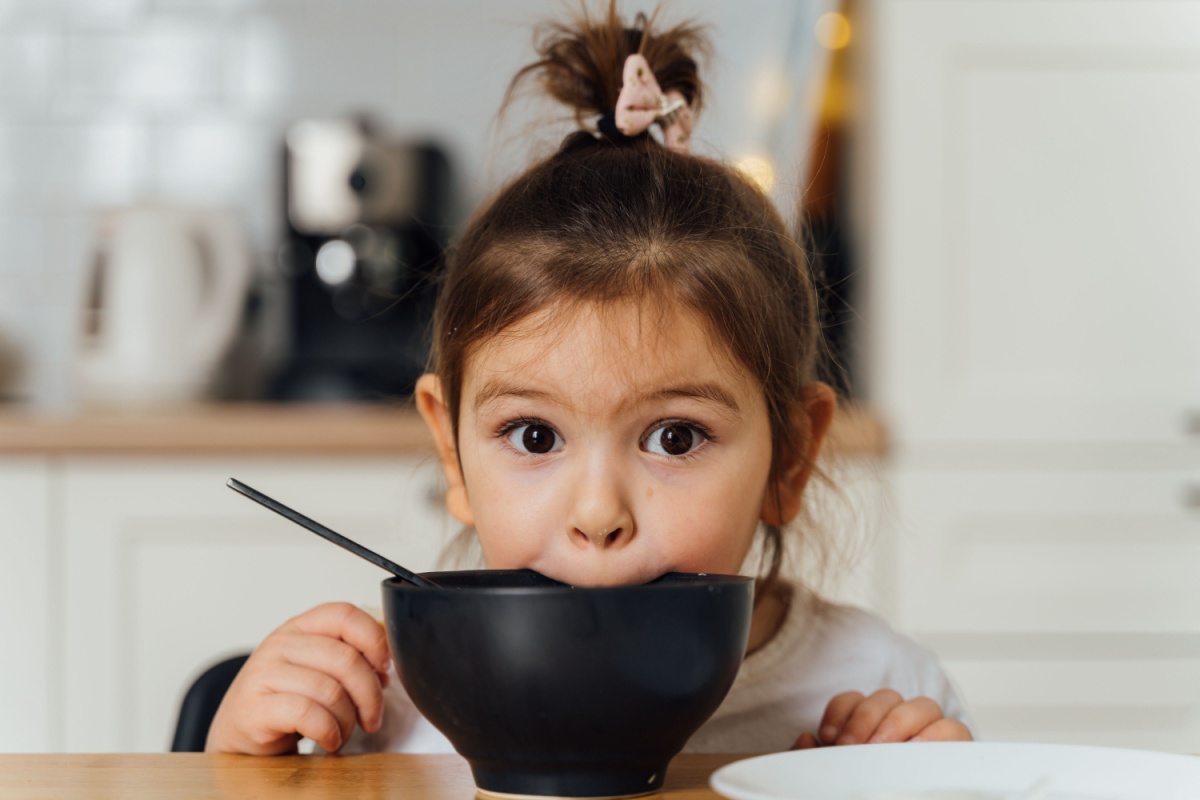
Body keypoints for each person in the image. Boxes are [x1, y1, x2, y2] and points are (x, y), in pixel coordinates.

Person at [206, 3, 973, 757]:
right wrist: (235, 765)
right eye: (535, 436)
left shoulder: (881, 689)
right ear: (452, 451)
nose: (599, 514)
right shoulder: (385, 705)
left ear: (791, 457)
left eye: (676, 438)